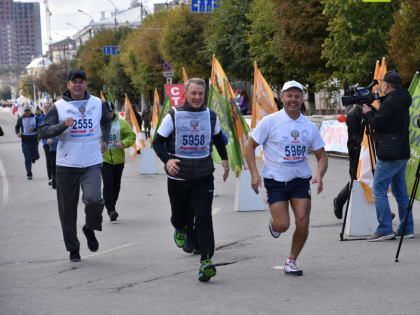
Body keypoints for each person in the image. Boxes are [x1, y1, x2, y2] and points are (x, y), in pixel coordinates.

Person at [245, 80, 328, 276]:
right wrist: (255, 173)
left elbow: (321, 155)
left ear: (302, 99)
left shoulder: (308, 126)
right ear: (282, 98)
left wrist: (319, 174)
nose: (293, 99)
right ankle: (274, 223)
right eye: (289, 95)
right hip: (275, 180)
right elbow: (249, 146)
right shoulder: (270, 121)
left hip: (300, 179)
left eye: (297, 96)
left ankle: (292, 260)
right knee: (283, 225)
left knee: (303, 221)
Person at [152, 78, 230, 282]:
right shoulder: (174, 115)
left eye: (200, 94)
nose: (197, 97)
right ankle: (179, 228)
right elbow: (157, 142)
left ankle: (206, 261)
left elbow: (218, 138)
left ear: (204, 95)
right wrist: (167, 160)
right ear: (186, 94)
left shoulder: (210, 116)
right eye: (193, 93)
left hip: (204, 175)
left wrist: (225, 160)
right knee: (180, 216)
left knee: (204, 217)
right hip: (179, 176)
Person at [39, 69, 111, 262]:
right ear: (68, 85)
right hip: (67, 164)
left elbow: (107, 121)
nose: (77, 85)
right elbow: (43, 131)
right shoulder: (58, 107)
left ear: (86, 84)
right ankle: (73, 248)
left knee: (94, 200)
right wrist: (62, 125)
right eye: (74, 82)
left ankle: (89, 228)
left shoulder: (97, 103)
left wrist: (104, 139)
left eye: (81, 82)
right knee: (67, 210)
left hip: (92, 162)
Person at [362, 71, 413, 241]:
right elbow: (387, 120)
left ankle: (384, 228)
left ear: (388, 86)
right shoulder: (402, 99)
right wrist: (375, 109)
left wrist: (369, 113)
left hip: (390, 152)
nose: (382, 86)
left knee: (378, 190)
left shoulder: (391, 102)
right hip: (401, 151)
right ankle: (407, 228)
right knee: (400, 193)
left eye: (383, 84)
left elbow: (378, 123)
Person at [101, 102, 135, 221]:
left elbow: (131, 136)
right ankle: (110, 209)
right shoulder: (97, 123)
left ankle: (112, 206)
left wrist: (123, 143)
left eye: (111, 112)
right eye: (107, 112)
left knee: (116, 185)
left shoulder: (121, 122)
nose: (109, 114)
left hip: (118, 159)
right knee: (108, 184)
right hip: (103, 159)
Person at [333, 105, 363, 219]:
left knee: (373, 180)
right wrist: (363, 145)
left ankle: (380, 212)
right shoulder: (353, 114)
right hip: (357, 152)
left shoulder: (372, 109)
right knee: (356, 181)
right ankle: (340, 200)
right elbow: (353, 138)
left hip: (370, 151)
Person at [15, 105, 40, 180]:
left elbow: (40, 127)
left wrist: (34, 128)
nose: (27, 112)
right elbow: (17, 127)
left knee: (35, 156)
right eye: (26, 111)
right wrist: (18, 133)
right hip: (25, 140)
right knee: (27, 157)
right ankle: (29, 173)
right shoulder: (20, 119)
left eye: (28, 110)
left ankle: (33, 157)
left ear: (30, 111)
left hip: (34, 139)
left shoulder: (36, 118)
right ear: (24, 111)